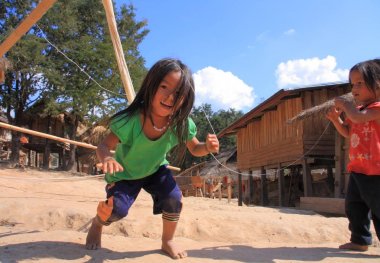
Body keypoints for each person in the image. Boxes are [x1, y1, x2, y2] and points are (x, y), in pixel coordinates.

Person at [85, 58, 219, 259]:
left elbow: (195, 149)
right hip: (125, 174)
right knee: (116, 210)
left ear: (186, 98)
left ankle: (168, 241)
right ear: (151, 85)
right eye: (164, 87)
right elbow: (104, 145)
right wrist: (107, 159)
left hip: (156, 170)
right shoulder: (130, 121)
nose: (170, 97)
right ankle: (97, 223)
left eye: (179, 93)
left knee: (173, 198)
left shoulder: (180, 124)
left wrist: (207, 147)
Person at [326, 58, 380, 252]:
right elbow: (349, 133)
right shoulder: (357, 110)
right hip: (357, 169)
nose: (354, 87)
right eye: (352, 84)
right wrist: (336, 121)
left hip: (376, 172)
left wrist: (346, 105)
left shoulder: (376, 108)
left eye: (360, 83)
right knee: (354, 207)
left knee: (378, 208)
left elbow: (357, 118)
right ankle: (360, 240)